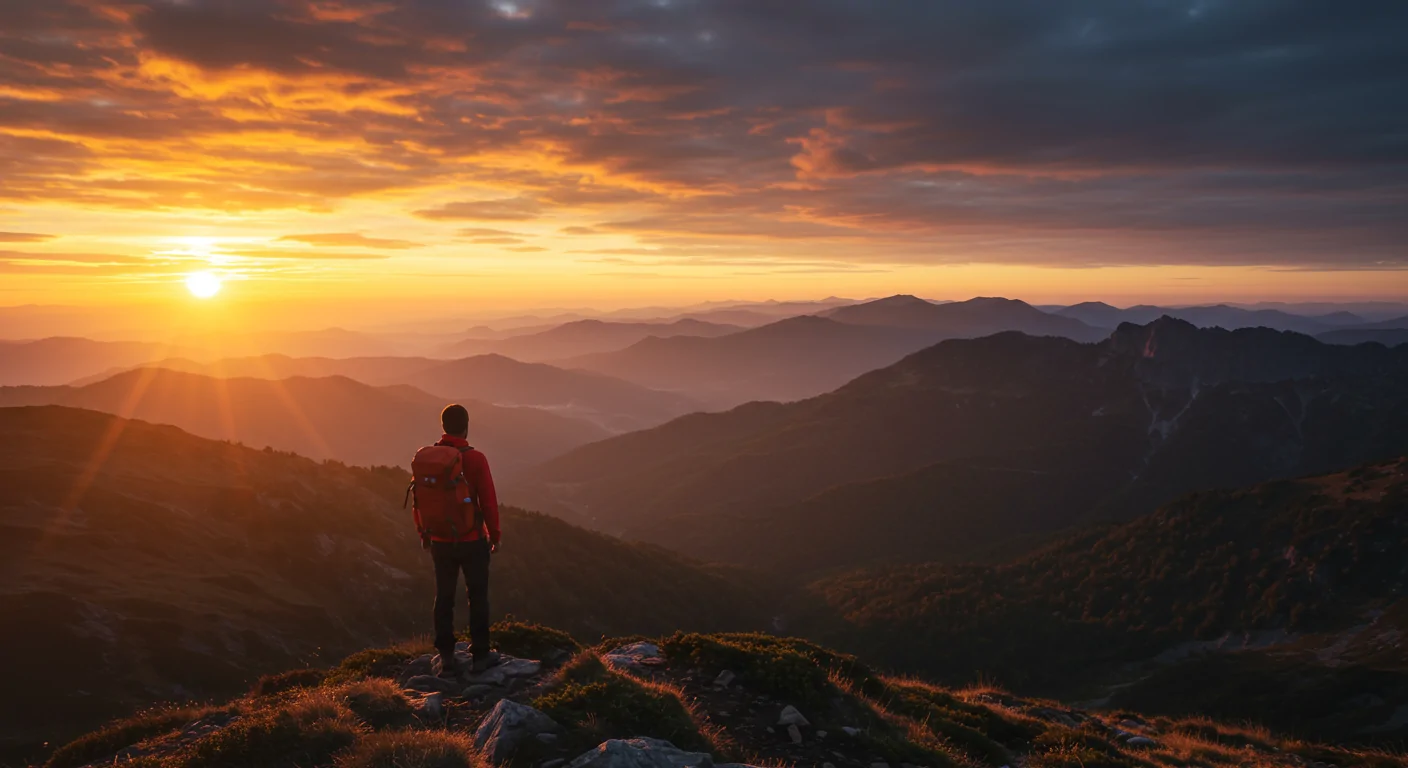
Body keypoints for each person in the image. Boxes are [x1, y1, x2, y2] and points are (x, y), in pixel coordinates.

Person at [424, 403, 501, 676]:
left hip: (440, 540)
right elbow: (488, 502)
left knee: (443, 596)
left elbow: (422, 500)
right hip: (471, 539)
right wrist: (495, 534)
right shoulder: (476, 459)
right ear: (466, 426)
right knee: (477, 595)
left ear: (443, 427)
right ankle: (480, 656)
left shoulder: (428, 457)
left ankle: (446, 657)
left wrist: (425, 532)